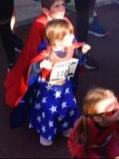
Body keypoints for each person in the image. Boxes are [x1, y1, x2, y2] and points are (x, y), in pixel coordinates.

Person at [15, 18, 90, 147]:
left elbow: (77, 55)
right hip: (48, 89)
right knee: (48, 110)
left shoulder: (70, 47)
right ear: (56, 40)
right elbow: (32, 67)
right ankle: (45, 133)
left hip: (65, 86)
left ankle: (66, 126)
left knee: (68, 106)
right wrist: (40, 65)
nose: (73, 37)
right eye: (69, 34)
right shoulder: (47, 54)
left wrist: (82, 52)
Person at [4, 0, 66, 109]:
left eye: (63, 4)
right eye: (57, 6)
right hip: (45, 62)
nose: (62, 9)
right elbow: (33, 49)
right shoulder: (40, 24)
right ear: (46, 11)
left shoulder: (64, 21)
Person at [67, 88, 119, 159]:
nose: (118, 109)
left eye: (116, 102)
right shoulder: (84, 131)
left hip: (105, 142)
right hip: (86, 148)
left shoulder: (117, 119)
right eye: (112, 111)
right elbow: (78, 152)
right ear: (98, 118)